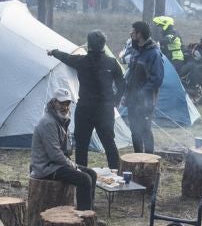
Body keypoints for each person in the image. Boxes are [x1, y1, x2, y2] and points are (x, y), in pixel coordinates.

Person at [49, 31, 124, 168]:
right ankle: (116, 173)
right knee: (109, 142)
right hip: (105, 109)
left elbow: (66, 57)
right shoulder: (111, 63)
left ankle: (82, 174)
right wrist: (115, 101)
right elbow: (122, 84)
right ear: (103, 45)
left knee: (82, 144)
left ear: (89, 45)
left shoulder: (81, 61)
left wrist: (54, 51)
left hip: (85, 108)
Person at [30, 88, 98, 213]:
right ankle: (84, 217)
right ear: (54, 102)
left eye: (67, 104)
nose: (65, 107)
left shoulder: (61, 120)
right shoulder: (48, 123)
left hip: (56, 164)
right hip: (46, 167)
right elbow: (55, 154)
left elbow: (66, 150)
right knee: (84, 179)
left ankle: (89, 213)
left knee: (91, 174)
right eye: (61, 103)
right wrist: (72, 165)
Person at [121, 20, 164, 155]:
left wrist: (141, 93)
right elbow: (131, 75)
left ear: (139, 34)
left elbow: (157, 79)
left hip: (145, 101)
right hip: (132, 99)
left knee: (145, 130)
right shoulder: (136, 50)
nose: (131, 34)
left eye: (133, 32)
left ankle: (150, 159)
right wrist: (126, 94)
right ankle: (137, 158)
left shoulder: (154, 54)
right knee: (134, 130)